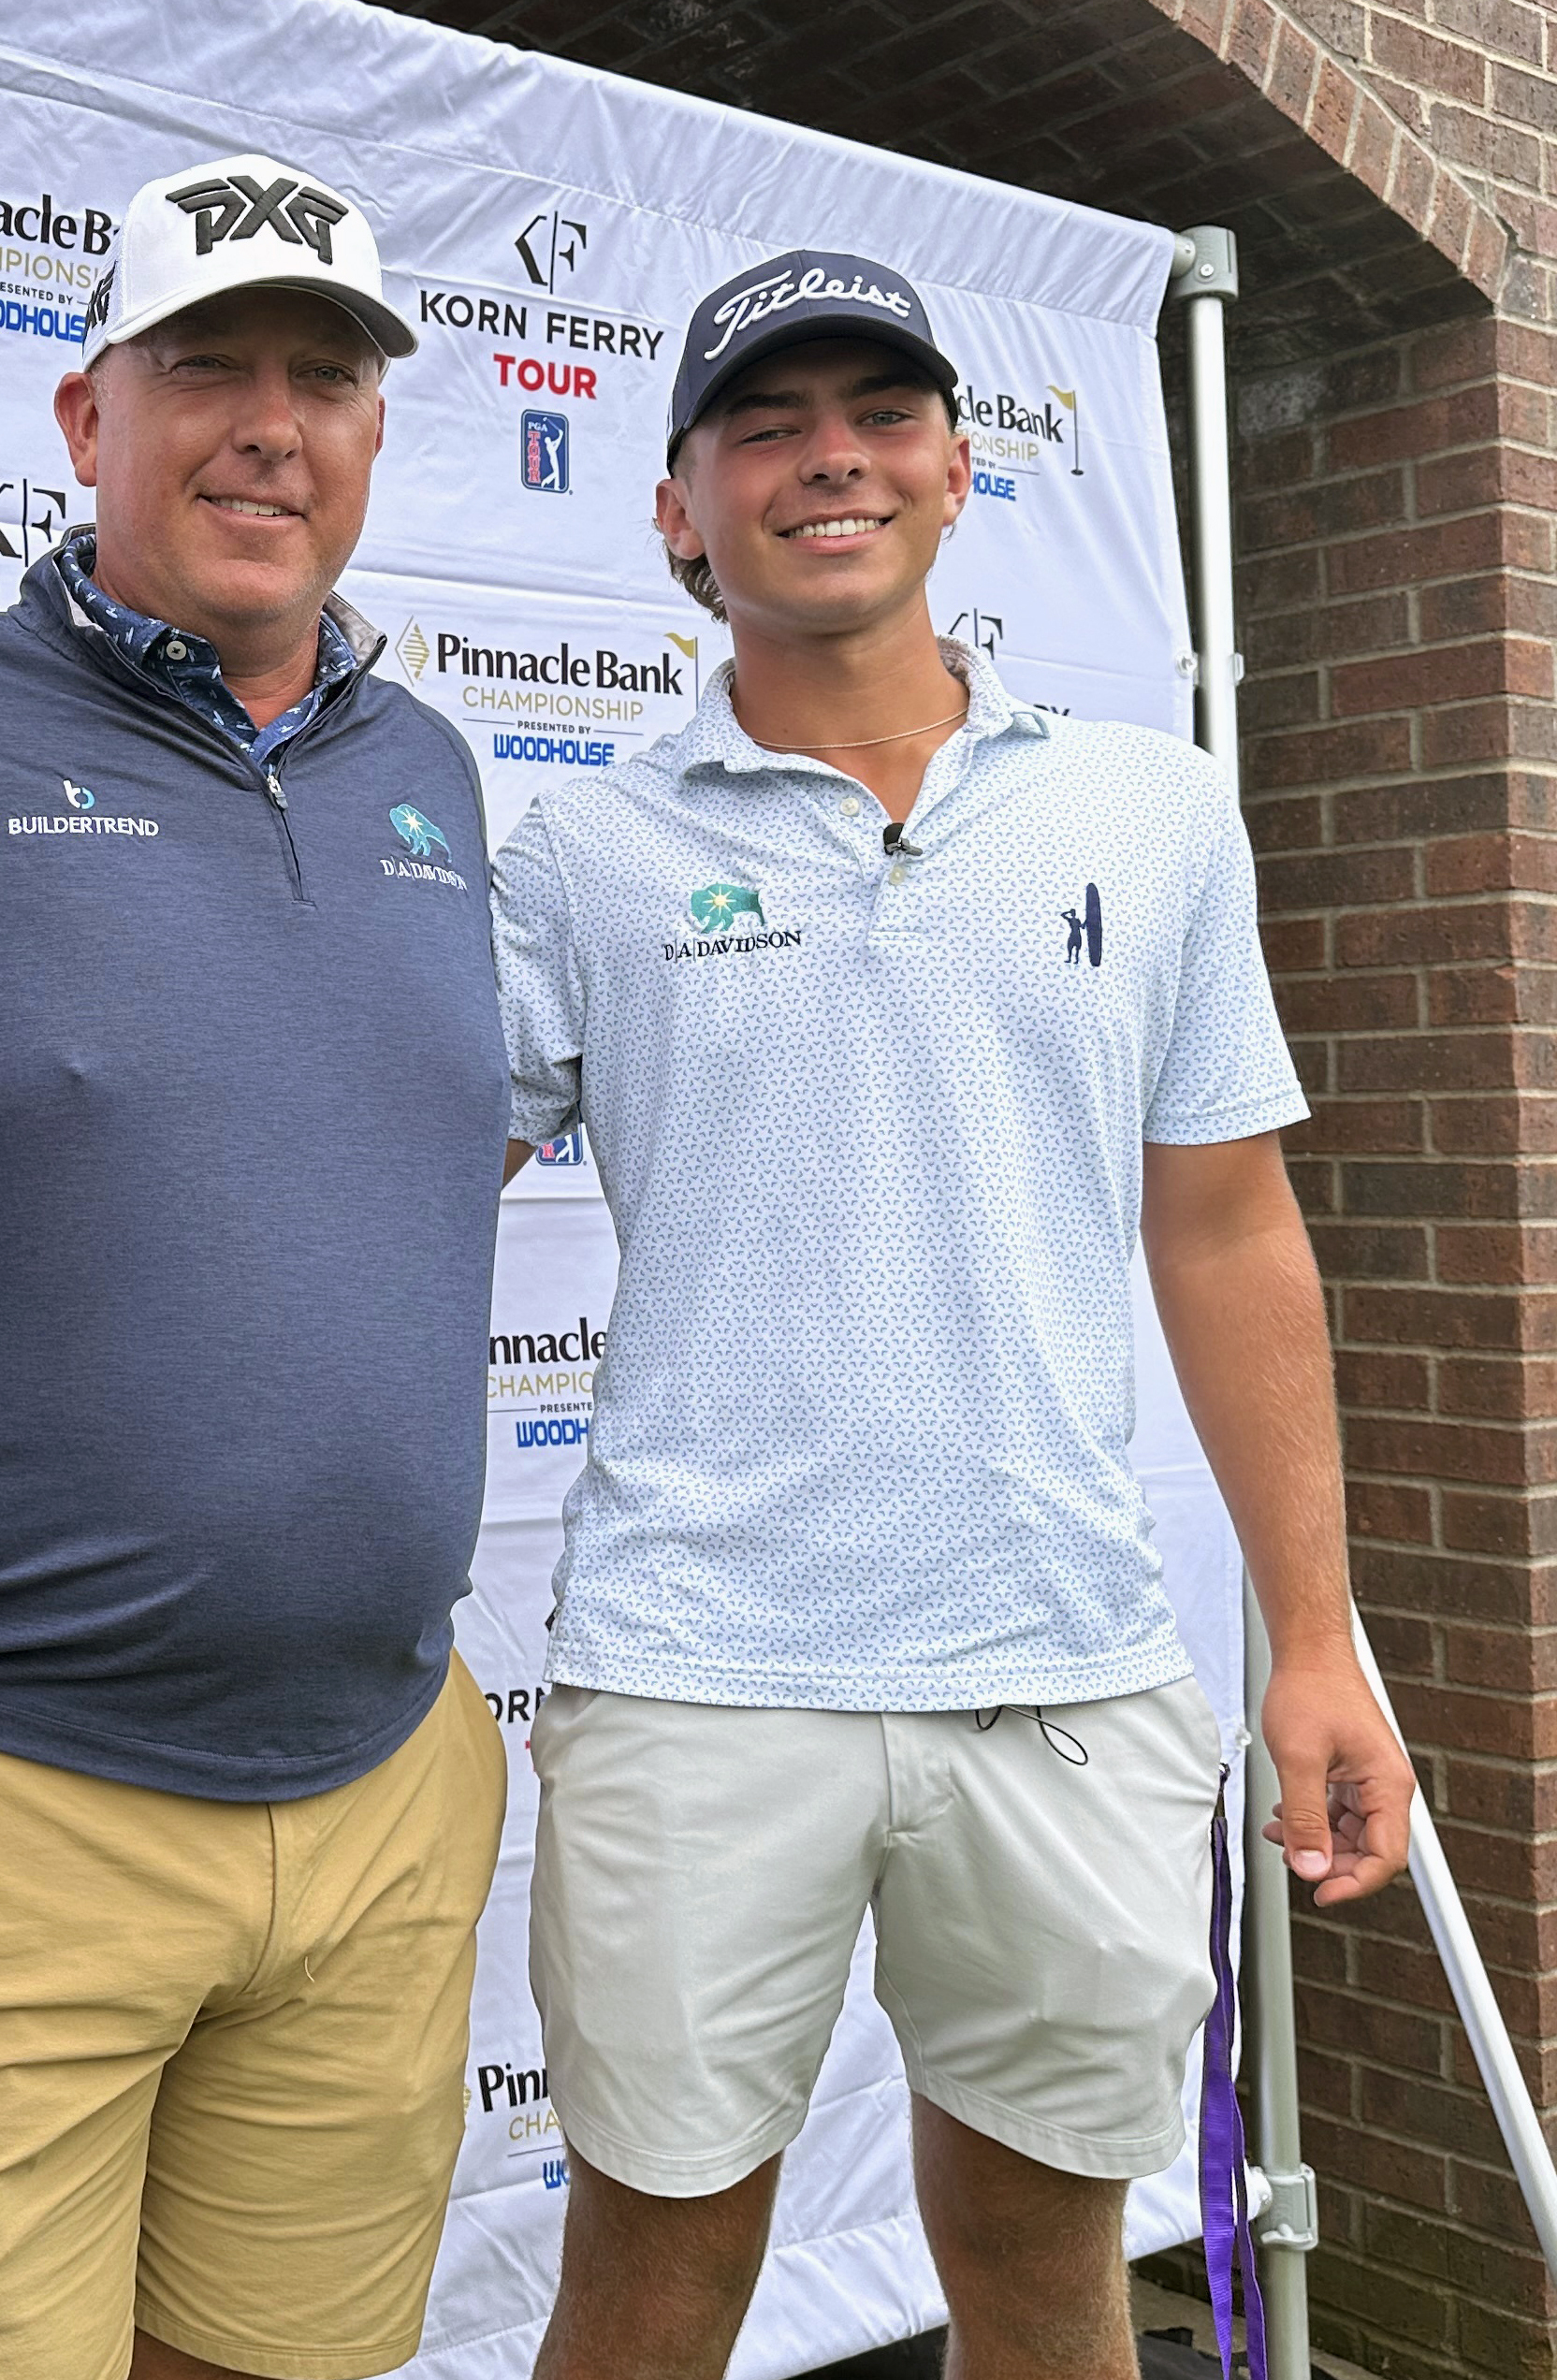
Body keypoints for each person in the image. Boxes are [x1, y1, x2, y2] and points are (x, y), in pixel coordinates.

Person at [490, 250, 1415, 2380]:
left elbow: (1228, 1231)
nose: (833, 459)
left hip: (1064, 1668)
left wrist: (1312, 1641)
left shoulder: (1151, 812)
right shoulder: (576, 855)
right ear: (676, 507)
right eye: (767, 425)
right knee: (651, 2278)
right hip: (701, 1673)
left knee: (1037, 2269)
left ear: (956, 468)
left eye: (881, 414)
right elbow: (394, 1209)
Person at [0, 152, 509, 2380]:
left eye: (323, 379)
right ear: (85, 419)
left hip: (376, 1795)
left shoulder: (427, 768)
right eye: (206, 367)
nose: (270, 425)